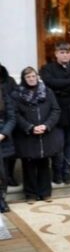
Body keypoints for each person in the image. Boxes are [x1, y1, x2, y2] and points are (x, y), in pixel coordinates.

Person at [12, 67, 62, 203]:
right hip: (27, 135)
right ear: (24, 79)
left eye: (33, 76)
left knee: (44, 165)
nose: (31, 79)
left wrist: (47, 125)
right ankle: (30, 194)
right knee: (28, 166)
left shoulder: (47, 91)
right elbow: (15, 114)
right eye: (28, 77)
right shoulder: (17, 94)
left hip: (45, 134)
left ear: (37, 77)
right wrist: (29, 127)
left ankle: (45, 193)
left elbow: (55, 110)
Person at [40, 42, 70, 185]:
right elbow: (49, 83)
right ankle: (57, 171)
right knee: (58, 144)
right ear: (55, 54)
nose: (65, 54)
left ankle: (67, 171)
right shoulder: (47, 68)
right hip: (56, 114)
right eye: (61, 52)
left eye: (67, 52)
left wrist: (60, 89)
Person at [0, 64, 18, 187]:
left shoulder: (9, 80)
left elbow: (16, 96)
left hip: (7, 122)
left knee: (10, 155)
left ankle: (9, 176)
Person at [0, 82, 15, 212]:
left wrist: (3, 133)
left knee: (2, 174)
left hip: (2, 139)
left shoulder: (4, 93)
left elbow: (12, 118)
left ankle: (2, 199)